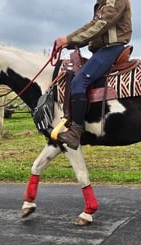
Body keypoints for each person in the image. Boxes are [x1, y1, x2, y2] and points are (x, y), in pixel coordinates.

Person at [54, 0, 132, 150]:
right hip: (103, 50)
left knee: (78, 82)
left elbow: (101, 23)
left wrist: (70, 39)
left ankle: (76, 131)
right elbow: (94, 26)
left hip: (111, 48)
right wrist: (69, 42)